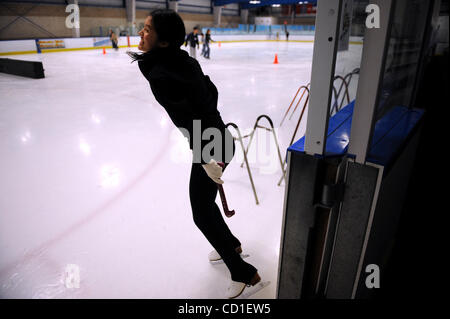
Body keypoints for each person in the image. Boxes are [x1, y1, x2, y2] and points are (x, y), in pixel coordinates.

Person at [128, 9, 261, 299]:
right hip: (219, 138)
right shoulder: (182, 60)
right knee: (205, 204)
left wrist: (204, 157)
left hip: (211, 147)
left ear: (163, 42)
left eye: (148, 29)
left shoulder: (160, 73)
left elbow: (186, 118)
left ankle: (243, 273)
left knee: (200, 213)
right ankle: (232, 243)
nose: (141, 32)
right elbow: (210, 92)